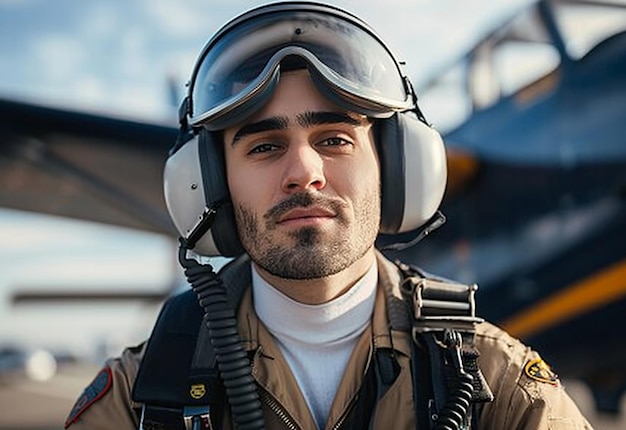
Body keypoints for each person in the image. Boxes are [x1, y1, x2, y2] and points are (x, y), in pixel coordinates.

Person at [65, 2, 593, 429]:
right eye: (265, 147)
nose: (304, 172)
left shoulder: (504, 390)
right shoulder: (136, 400)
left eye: (336, 139)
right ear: (206, 185)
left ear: (397, 167)